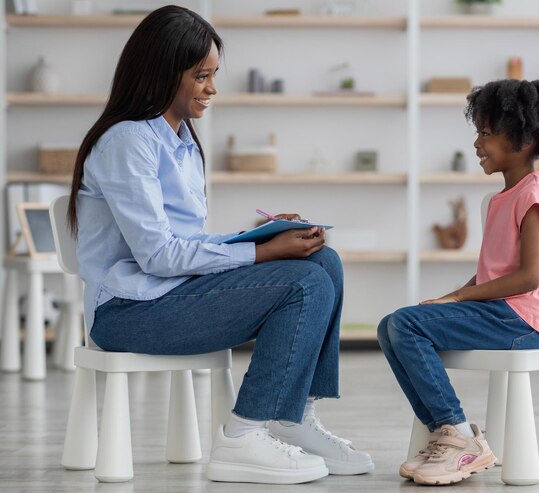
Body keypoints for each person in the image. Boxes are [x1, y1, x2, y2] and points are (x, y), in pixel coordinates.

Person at [68, 5, 373, 485]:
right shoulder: (128, 142)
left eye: (213, 75)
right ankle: (242, 437)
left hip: (168, 296)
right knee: (304, 284)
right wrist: (264, 253)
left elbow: (183, 243)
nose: (212, 88)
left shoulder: (181, 139)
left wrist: (261, 237)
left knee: (324, 261)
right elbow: (159, 256)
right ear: (162, 73)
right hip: (129, 312)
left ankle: (294, 418)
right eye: (201, 76)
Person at [377, 79, 539, 486]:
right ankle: (447, 434)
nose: (477, 144)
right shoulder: (503, 198)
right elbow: (493, 271)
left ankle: (460, 436)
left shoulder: (533, 196)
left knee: (405, 324)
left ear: (524, 139)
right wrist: (454, 298)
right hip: (501, 312)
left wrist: (459, 296)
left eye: (486, 134)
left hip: (523, 322)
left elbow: (527, 277)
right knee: (390, 326)